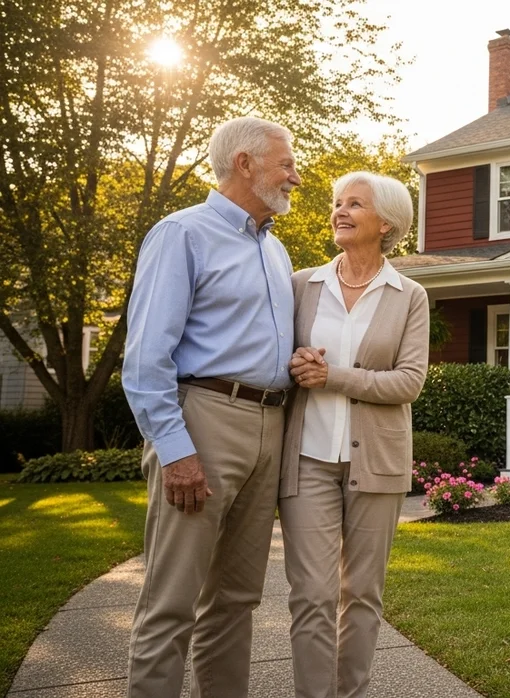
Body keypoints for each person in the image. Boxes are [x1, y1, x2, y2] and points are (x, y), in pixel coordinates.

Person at [123, 116, 300, 697]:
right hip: (204, 420)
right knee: (172, 602)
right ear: (244, 163)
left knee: (237, 600)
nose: (295, 177)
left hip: (270, 425)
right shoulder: (182, 233)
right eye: (286, 163)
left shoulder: (276, 250)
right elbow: (147, 359)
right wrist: (176, 452)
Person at [279, 171, 429, 698]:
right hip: (307, 459)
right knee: (312, 594)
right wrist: (294, 362)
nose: (339, 211)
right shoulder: (301, 284)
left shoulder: (409, 295)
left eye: (355, 204)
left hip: (378, 464)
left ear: (386, 222)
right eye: (338, 203)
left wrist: (333, 376)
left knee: (362, 594)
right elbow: (274, 359)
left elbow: (410, 381)